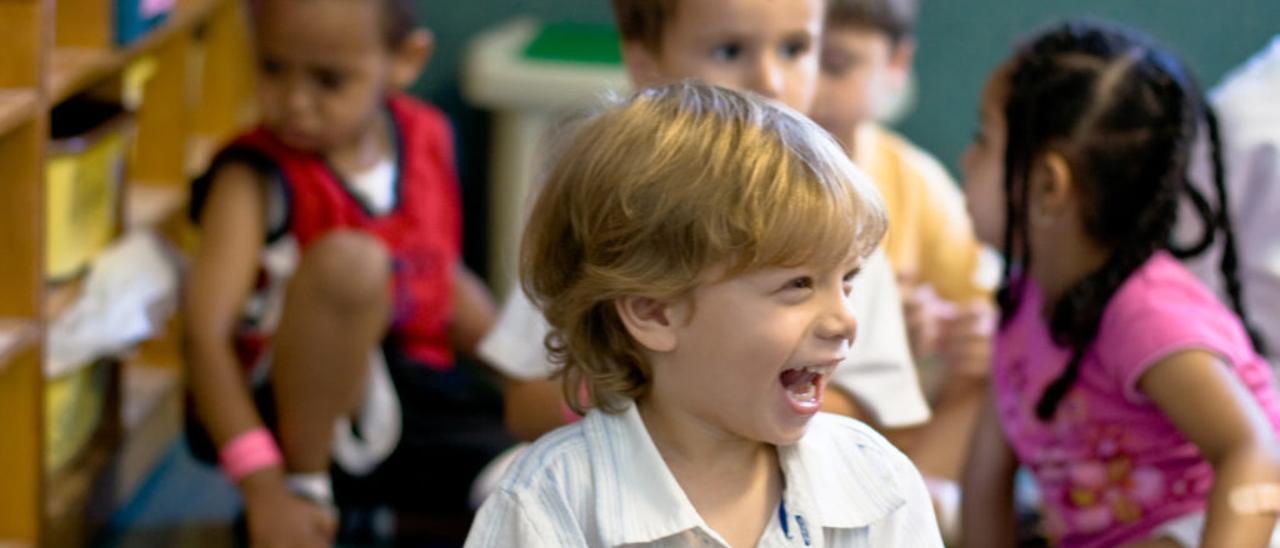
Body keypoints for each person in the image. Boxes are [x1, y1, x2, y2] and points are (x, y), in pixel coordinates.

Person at [467, 81, 942, 548]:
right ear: (654, 313)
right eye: (797, 285)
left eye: (847, 281)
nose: (844, 321)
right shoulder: (549, 505)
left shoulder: (878, 481)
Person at [485, 0, 931, 446]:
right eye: (729, 51)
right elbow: (524, 404)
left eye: (795, 49)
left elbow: (887, 419)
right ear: (644, 61)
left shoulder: (841, 227)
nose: (771, 81)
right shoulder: (597, 204)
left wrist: (724, 396)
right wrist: (656, 402)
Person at [183, 0, 513, 544]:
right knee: (351, 265)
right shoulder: (251, 178)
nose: (293, 101)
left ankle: (385, 519)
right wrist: (265, 486)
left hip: (416, 401)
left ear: (405, 60)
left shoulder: (425, 136)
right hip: (296, 418)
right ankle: (309, 495)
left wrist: (529, 369)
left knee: (540, 461)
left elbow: (443, 278)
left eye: (328, 80)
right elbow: (204, 337)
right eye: (271, 68)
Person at [960, 20, 1280, 547]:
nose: (966, 160)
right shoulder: (1024, 302)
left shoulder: (1145, 313)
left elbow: (1254, 452)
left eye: (983, 141)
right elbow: (986, 479)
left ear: (1047, 186)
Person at [809, 0, 995, 521]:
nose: (804, 82)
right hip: (806, 406)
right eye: (797, 53)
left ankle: (912, 503)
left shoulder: (915, 183)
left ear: (895, 64)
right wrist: (878, 335)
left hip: (904, 434)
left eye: (836, 64)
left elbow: (984, 310)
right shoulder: (749, 180)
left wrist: (962, 334)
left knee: (996, 370)